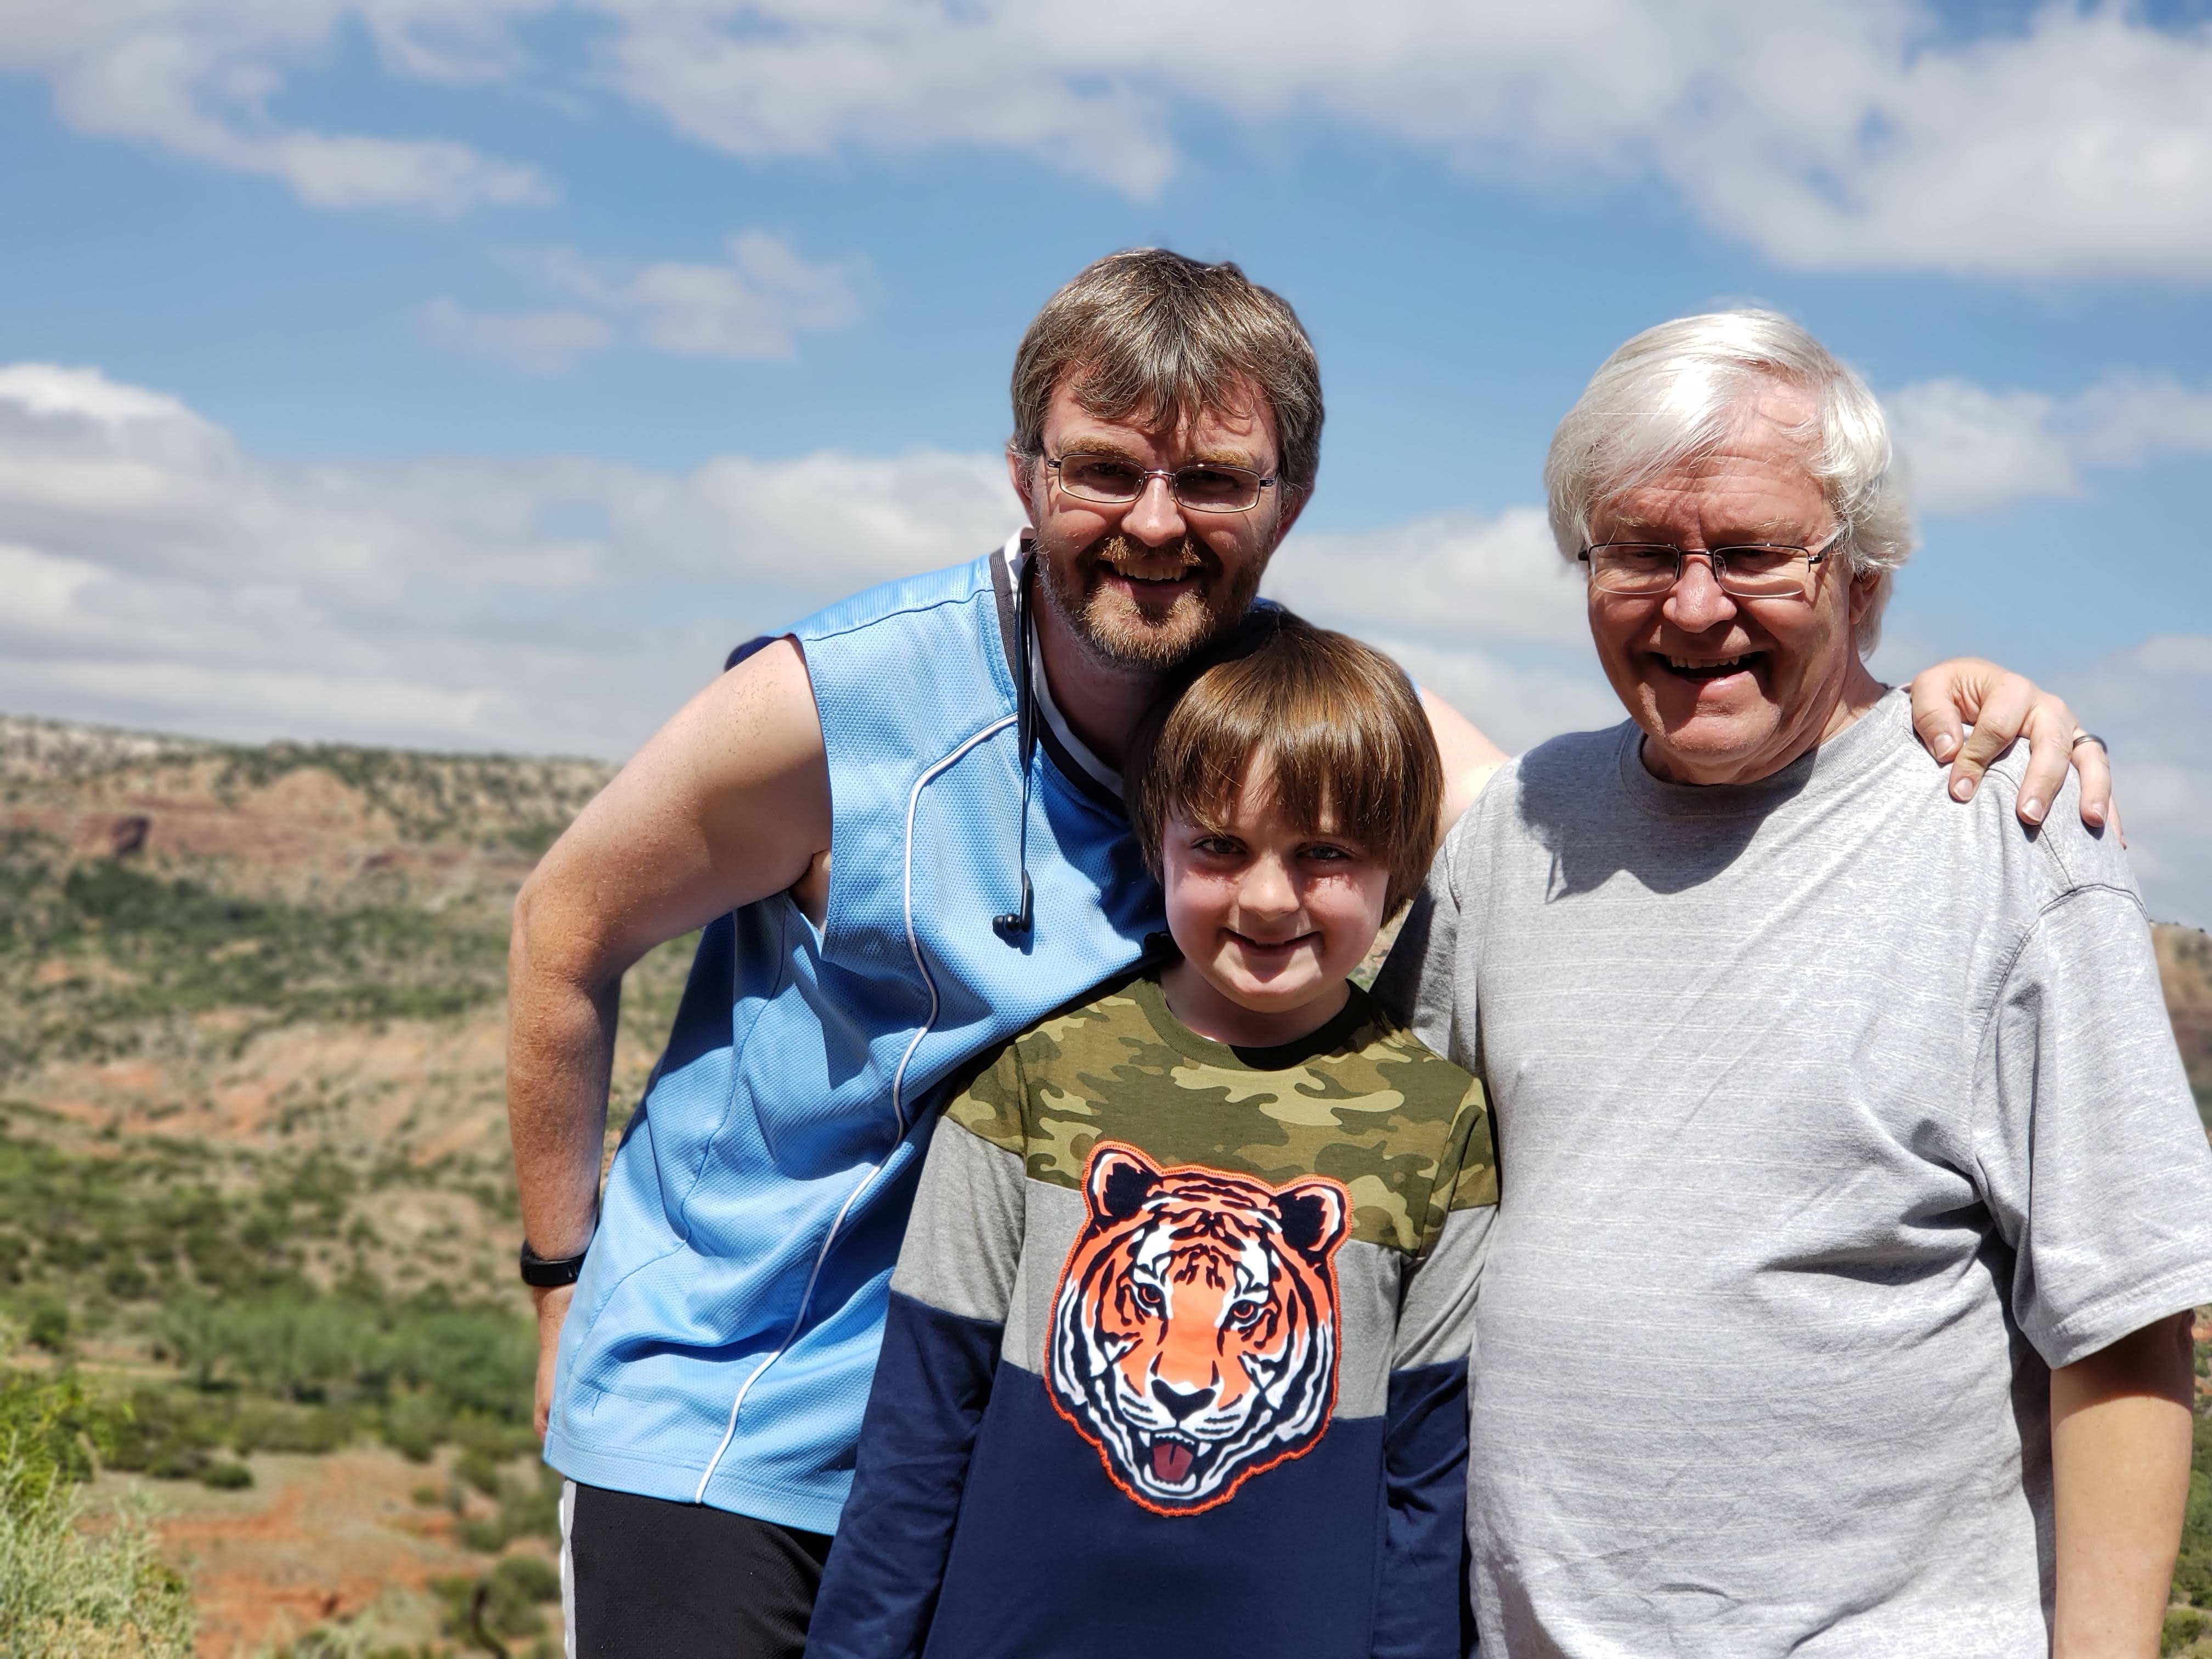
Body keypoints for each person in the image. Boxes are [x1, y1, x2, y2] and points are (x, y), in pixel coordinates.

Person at [506, 250, 2104, 1658]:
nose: (1154, 521)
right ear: (1023, 473)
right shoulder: (842, 707)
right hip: (731, 1427)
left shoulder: (1319, 732)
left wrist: (1912, 712)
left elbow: (1595, 829)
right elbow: (561, 935)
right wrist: (561, 1287)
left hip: (1040, 1449)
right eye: (1103, 468)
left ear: (1289, 499)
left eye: (1211, 478)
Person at [1378, 308, 2212, 1657]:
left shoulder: (2008, 836)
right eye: (1640, 552)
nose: (1693, 605)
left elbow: (2123, 1327)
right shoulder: (1520, 832)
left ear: (1862, 577)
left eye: (1753, 553)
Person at [804, 610, 1493, 1659]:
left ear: (1396, 862)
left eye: (1324, 853)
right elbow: (920, 1428)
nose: (1269, 897)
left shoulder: (1437, 1125)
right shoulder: (1032, 1077)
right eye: (1220, 846)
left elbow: (1427, 1488)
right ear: (1154, 841)